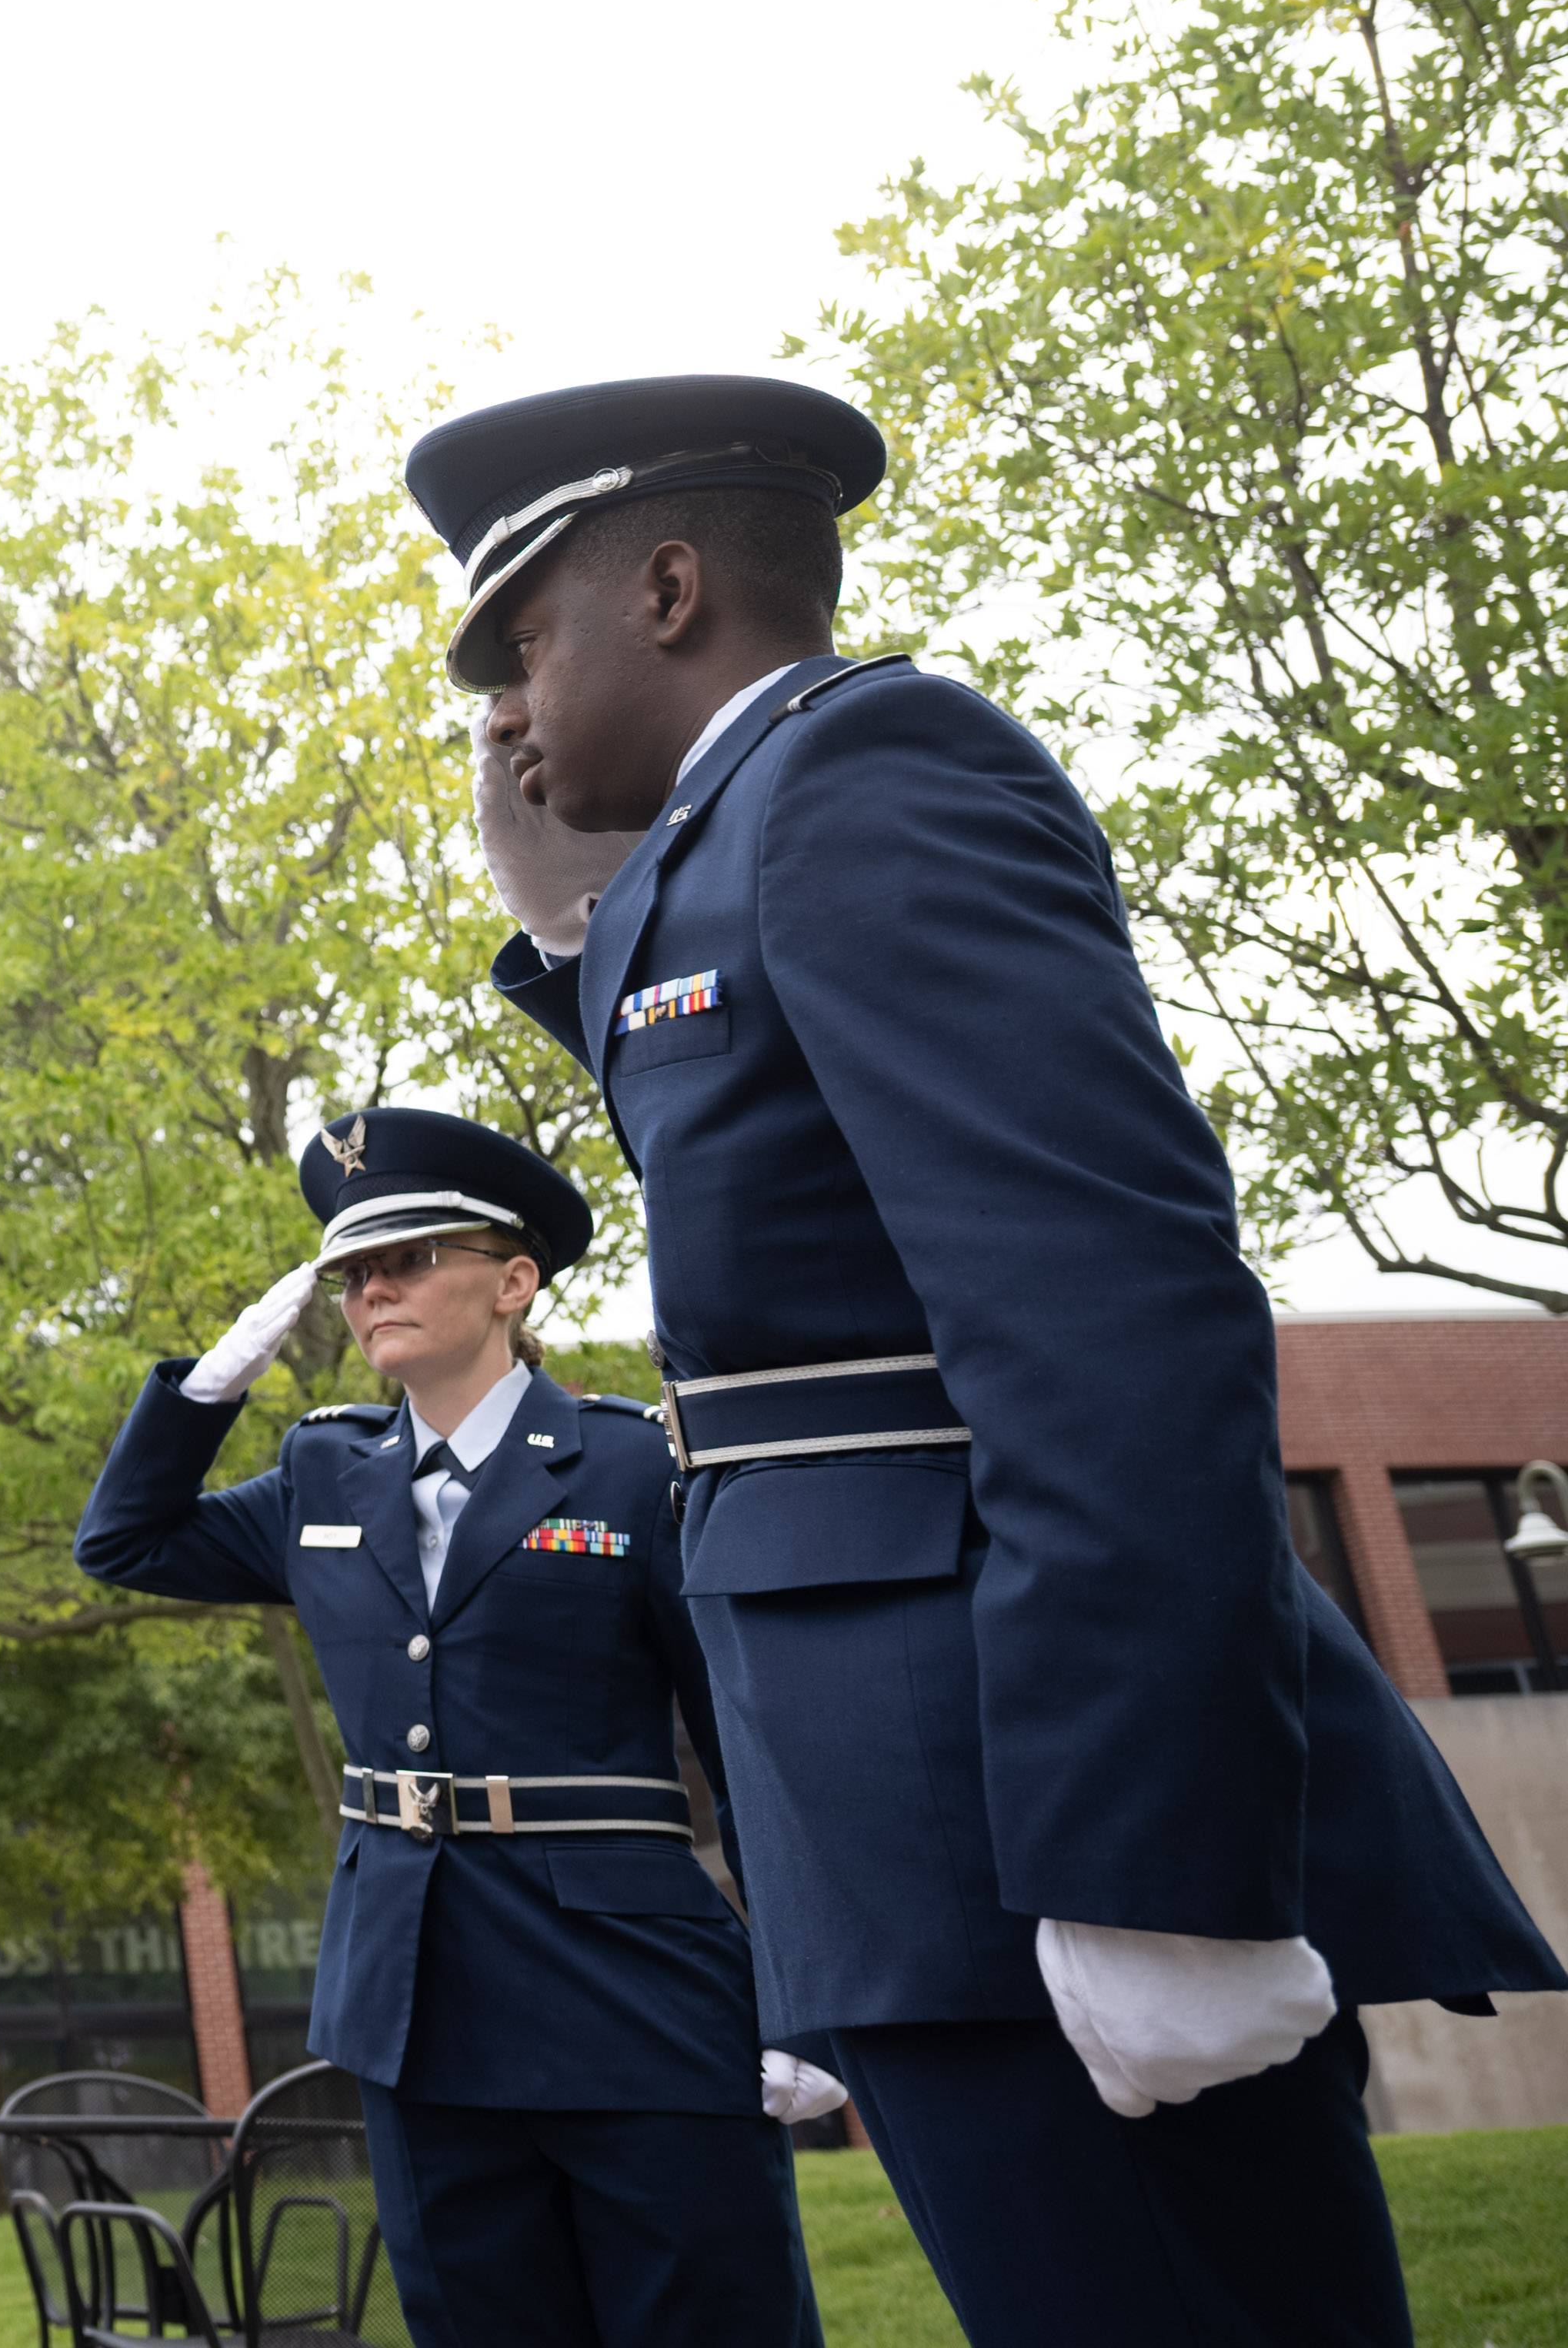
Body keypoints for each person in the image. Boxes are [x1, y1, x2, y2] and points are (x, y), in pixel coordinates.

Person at [421, 372, 1564, 2348]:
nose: (505, 716)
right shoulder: (741, 836)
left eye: (522, 645)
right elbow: (790, 1188)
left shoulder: (871, 775)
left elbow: (1109, 1320)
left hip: (1028, 1807)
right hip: (912, 1820)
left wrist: (1153, 1864)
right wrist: (584, 943)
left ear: (670, 590)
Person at [79, 1107, 835, 2346]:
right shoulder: (325, 1472)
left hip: (635, 1997)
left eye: (412, 1258)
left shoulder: (631, 1468)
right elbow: (125, 1543)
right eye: (353, 1272)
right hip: (417, 2007)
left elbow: (747, 1743)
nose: (373, 1290)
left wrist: (805, 1997)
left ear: (513, 1282)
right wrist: (203, 1394)